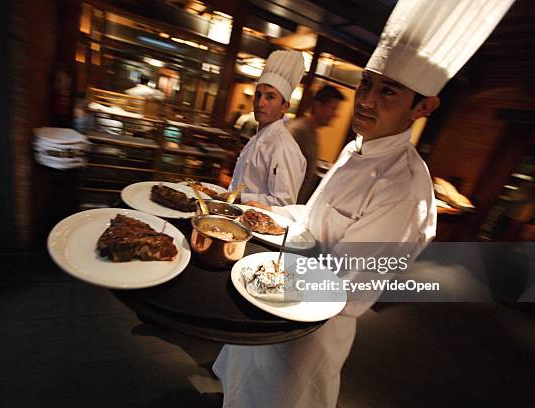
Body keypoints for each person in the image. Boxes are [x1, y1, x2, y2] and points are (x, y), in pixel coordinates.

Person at [213, 0, 514, 407]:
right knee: (238, 385)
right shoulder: (355, 149)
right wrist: (256, 215)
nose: (367, 100)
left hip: (308, 331)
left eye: (388, 90)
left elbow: (349, 288)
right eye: (367, 84)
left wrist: (265, 267)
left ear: (424, 106)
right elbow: (314, 220)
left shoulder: (407, 193)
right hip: (272, 301)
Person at [223, 50, 307, 206]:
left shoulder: (284, 147)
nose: (260, 103)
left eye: (270, 97)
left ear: (284, 106)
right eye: (258, 95)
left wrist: (241, 198)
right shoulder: (256, 139)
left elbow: (283, 203)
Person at [286, 85, 345, 204]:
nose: (335, 115)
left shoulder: (311, 132)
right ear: (318, 106)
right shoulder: (298, 131)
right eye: (333, 108)